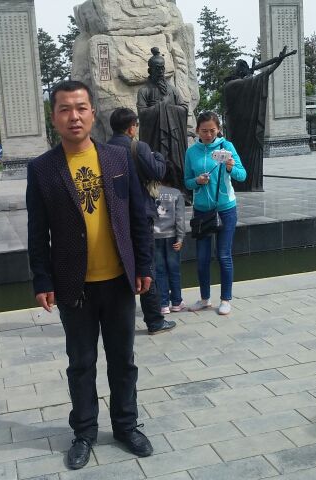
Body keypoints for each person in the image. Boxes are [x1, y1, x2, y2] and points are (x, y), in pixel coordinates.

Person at [26, 81, 154, 470]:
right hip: (73, 284)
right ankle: (84, 433)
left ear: (92, 113)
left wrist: (145, 265)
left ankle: (126, 426)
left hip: (118, 281)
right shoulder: (42, 169)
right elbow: (37, 231)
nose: (74, 116)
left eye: (81, 108)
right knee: (81, 363)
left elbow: (138, 215)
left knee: (123, 361)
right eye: (65, 109)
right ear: (54, 117)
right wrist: (42, 279)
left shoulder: (117, 158)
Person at [108, 107, 175, 335]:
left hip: (115, 217)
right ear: (131, 128)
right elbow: (157, 172)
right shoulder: (139, 147)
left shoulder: (103, 149)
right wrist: (158, 157)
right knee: (147, 266)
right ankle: (154, 321)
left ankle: (117, 321)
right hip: (141, 215)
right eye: (135, 125)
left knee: (119, 267)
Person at [184, 111, 246, 315]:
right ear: (197, 131)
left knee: (223, 255)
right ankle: (204, 298)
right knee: (202, 259)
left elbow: (242, 175)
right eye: (204, 131)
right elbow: (187, 181)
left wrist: (230, 168)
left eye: (212, 130)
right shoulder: (191, 152)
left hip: (225, 209)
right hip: (202, 210)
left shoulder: (226, 147)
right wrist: (197, 181)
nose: (208, 134)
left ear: (218, 129)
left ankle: (226, 299)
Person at [223, 46, 296, 191]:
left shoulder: (230, 85)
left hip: (237, 130)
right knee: (242, 157)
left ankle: (244, 183)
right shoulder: (234, 85)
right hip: (244, 131)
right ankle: (250, 184)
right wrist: (278, 62)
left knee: (239, 157)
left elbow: (256, 79)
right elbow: (264, 75)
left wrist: (278, 61)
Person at [137, 47, 190, 196]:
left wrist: (168, 107)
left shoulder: (173, 90)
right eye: (157, 68)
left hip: (173, 136)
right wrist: (161, 106)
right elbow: (142, 113)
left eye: (162, 68)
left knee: (175, 164)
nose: (160, 71)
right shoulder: (144, 91)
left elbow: (183, 108)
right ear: (150, 70)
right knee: (157, 165)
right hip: (154, 136)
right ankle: (155, 193)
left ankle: (180, 191)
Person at [154, 161, 186, 314]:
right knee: (174, 270)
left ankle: (163, 304)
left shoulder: (151, 192)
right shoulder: (176, 193)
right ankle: (177, 302)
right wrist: (180, 238)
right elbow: (180, 218)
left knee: (159, 270)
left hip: (154, 236)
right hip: (172, 237)